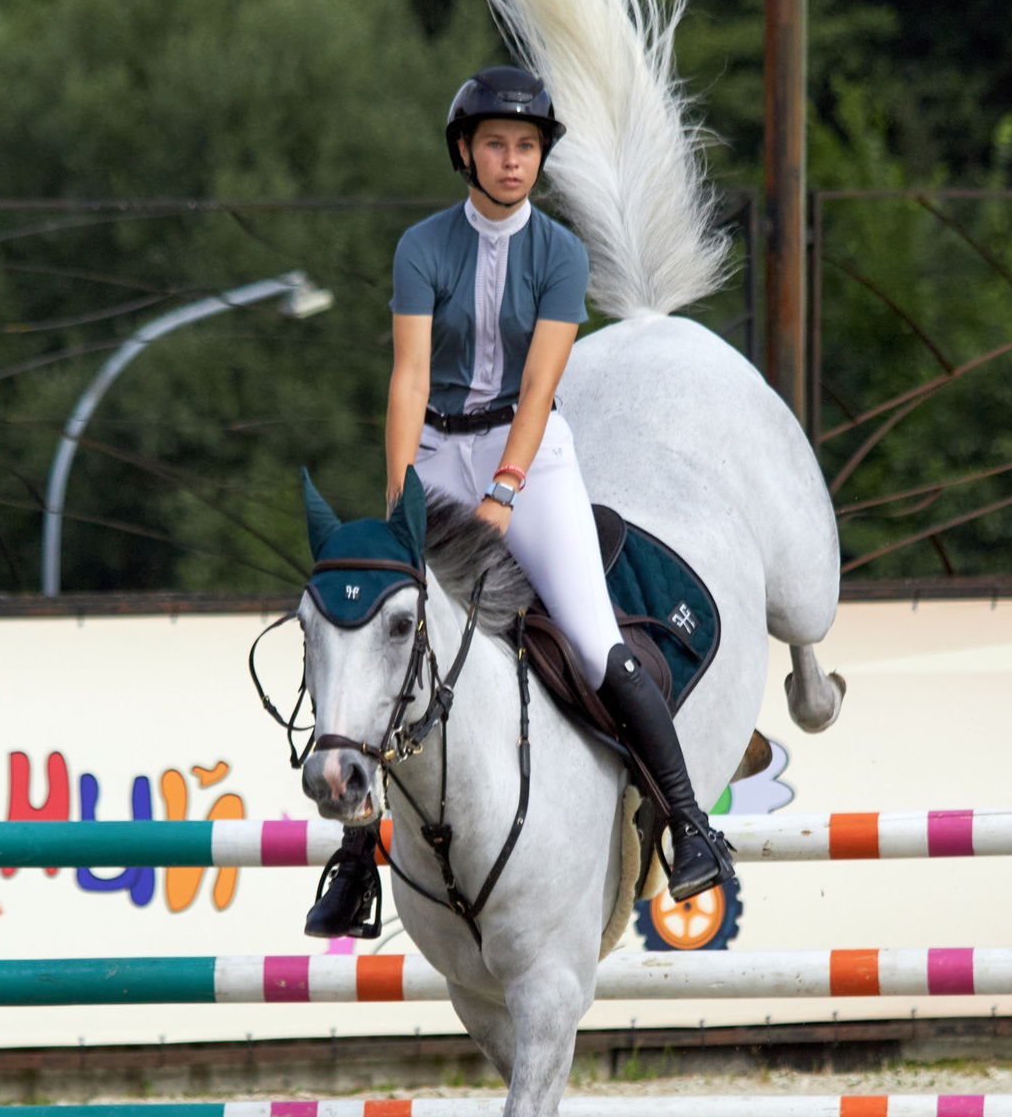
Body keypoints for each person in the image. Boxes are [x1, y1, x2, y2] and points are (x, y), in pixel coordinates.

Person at [304, 65, 729, 940]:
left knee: (597, 641)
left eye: (527, 146)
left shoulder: (561, 254)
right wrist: (400, 499)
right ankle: (354, 857)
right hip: (434, 456)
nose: (512, 160)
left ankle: (690, 825)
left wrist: (504, 489)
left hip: (529, 457)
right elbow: (408, 378)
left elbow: (538, 388)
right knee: (384, 644)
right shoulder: (421, 247)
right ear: (465, 151)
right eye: (496, 144)